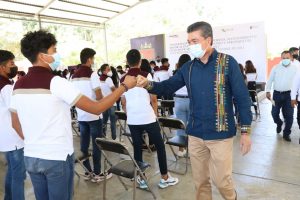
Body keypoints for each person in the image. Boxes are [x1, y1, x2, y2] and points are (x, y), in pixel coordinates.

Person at [9, 30, 136, 200]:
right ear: (42, 56)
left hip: (31, 156)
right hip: (56, 158)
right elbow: (97, 108)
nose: (57, 54)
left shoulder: (18, 85)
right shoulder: (55, 82)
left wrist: (34, 142)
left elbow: (15, 123)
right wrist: (124, 87)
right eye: (54, 50)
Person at [137, 21, 252, 200]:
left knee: (222, 181)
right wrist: (148, 84)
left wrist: (245, 132)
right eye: (189, 42)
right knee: (200, 182)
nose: (191, 45)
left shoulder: (227, 63)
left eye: (195, 41)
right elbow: (168, 86)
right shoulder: (188, 68)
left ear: (209, 40)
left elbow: (243, 98)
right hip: (196, 134)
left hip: (220, 134)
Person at [121, 49, 178, 189]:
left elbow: (123, 102)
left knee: (137, 148)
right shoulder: (146, 75)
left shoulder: (123, 79)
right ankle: (164, 177)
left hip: (133, 119)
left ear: (127, 62)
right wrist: (155, 114)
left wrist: (129, 114)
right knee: (160, 146)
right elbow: (153, 98)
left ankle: (141, 178)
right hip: (148, 117)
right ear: (140, 62)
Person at [71, 48, 112, 182]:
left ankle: (88, 171)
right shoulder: (92, 74)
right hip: (94, 115)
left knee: (83, 146)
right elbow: (99, 95)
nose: (93, 61)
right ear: (89, 59)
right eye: (93, 58)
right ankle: (98, 173)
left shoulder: (74, 75)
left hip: (81, 115)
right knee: (96, 145)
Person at [0, 50, 25, 200]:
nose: (14, 66)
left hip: (4, 138)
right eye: (12, 63)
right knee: (18, 176)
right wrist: (25, 137)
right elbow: (16, 115)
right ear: (2, 67)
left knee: (12, 171)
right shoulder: (6, 88)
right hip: (13, 138)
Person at [266, 51, 297, 142]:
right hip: (277, 95)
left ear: (291, 58)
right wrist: (268, 91)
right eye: (283, 58)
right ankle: (279, 123)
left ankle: (286, 133)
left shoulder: (295, 69)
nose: (285, 60)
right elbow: (270, 79)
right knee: (274, 113)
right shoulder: (276, 68)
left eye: (287, 58)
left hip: (289, 95)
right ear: (281, 58)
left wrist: (295, 97)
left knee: (289, 116)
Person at [173, 54, 191, 157]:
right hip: (191, 100)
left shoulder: (176, 72)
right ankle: (191, 149)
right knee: (192, 126)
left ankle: (181, 149)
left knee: (180, 126)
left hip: (179, 100)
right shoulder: (192, 71)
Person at [140, 58, 157, 151]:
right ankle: (151, 144)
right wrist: (155, 112)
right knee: (150, 124)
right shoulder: (148, 75)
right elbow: (153, 96)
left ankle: (142, 143)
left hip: (138, 107)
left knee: (141, 125)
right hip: (148, 104)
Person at [99, 64, 117, 140]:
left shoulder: (99, 79)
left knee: (104, 121)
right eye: (108, 69)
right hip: (112, 103)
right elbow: (114, 90)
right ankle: (114, 137)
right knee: (113, 121)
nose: (110, 71)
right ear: (103, 71)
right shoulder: (108, 79)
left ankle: (103, 135)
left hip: (104, 103)